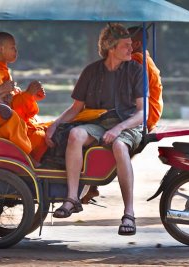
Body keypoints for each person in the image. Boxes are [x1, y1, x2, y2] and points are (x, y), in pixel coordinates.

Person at [45, 23, 143, 236]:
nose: (131, 49)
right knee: (75, 134)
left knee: (119, 145)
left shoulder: (136, 70)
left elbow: (141, 113)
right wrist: (54, 125)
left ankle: (129, 213)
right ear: (111, 48)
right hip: (98, 123)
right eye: (126, 46)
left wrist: (119, 128)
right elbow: (76, 109)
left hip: (127, 124)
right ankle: (72, 198)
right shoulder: (91, 71)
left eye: (131, 45)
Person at [81, 26, 164, 204]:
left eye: (128, 43)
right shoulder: (144, 58)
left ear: (137, 44)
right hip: (141, 113)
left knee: (95, 133)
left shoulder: (136, 62)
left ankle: (91, 184)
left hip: (140, 116)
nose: (126, 48)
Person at [0, 32, 48, 162]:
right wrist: (27, 95)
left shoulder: (1, 68)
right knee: (40, 136)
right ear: (1, 49)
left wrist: (30, 96)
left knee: (48, 128)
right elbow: (4, 105)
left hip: (7, 116)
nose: (16, 51)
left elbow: (8, 99)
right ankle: (30, 163)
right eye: (13, 47)